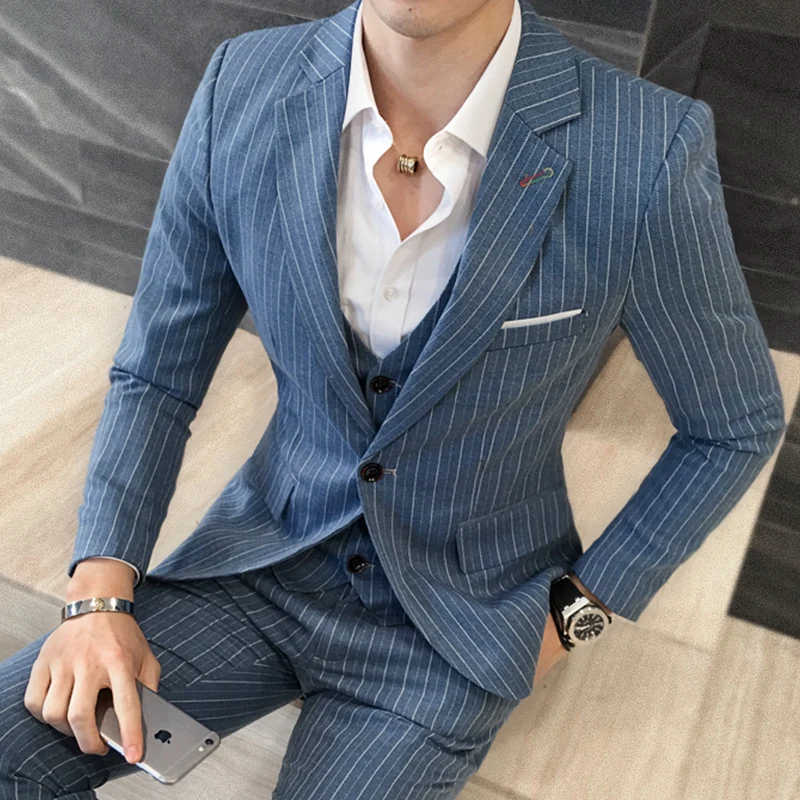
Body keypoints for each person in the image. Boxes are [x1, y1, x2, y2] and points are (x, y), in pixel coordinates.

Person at [0, 0, 786, 796]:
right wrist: (97, 596)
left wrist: (567, 620)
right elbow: (158, 370)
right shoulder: (244, 84)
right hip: (262, 559)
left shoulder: (644, 146)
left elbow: (734, 426)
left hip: (458, 624)